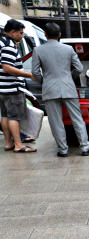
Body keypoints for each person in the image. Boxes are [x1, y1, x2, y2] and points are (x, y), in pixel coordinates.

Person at [32, 22, 89, 157]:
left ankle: (63, 150)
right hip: (68, 88)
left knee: (56, 122)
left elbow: (35, 73)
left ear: (45, 34)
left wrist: (45, 81)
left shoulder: (38, 50)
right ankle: (85, 148)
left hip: (49, 90)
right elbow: (78, 68)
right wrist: (69, 78)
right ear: (60, 35)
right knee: (77, 119)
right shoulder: (68, 49)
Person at [0, 19, 36, 153]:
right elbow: (7, 67)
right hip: (12, 88)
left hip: (2, 88)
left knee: (5, 116)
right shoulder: (9, 45)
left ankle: (9, 143)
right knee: (14, 117)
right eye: (20, 33)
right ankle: (19, 145)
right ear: (12, 32)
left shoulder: (1, 42)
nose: (22, 36)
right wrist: (28, 75)